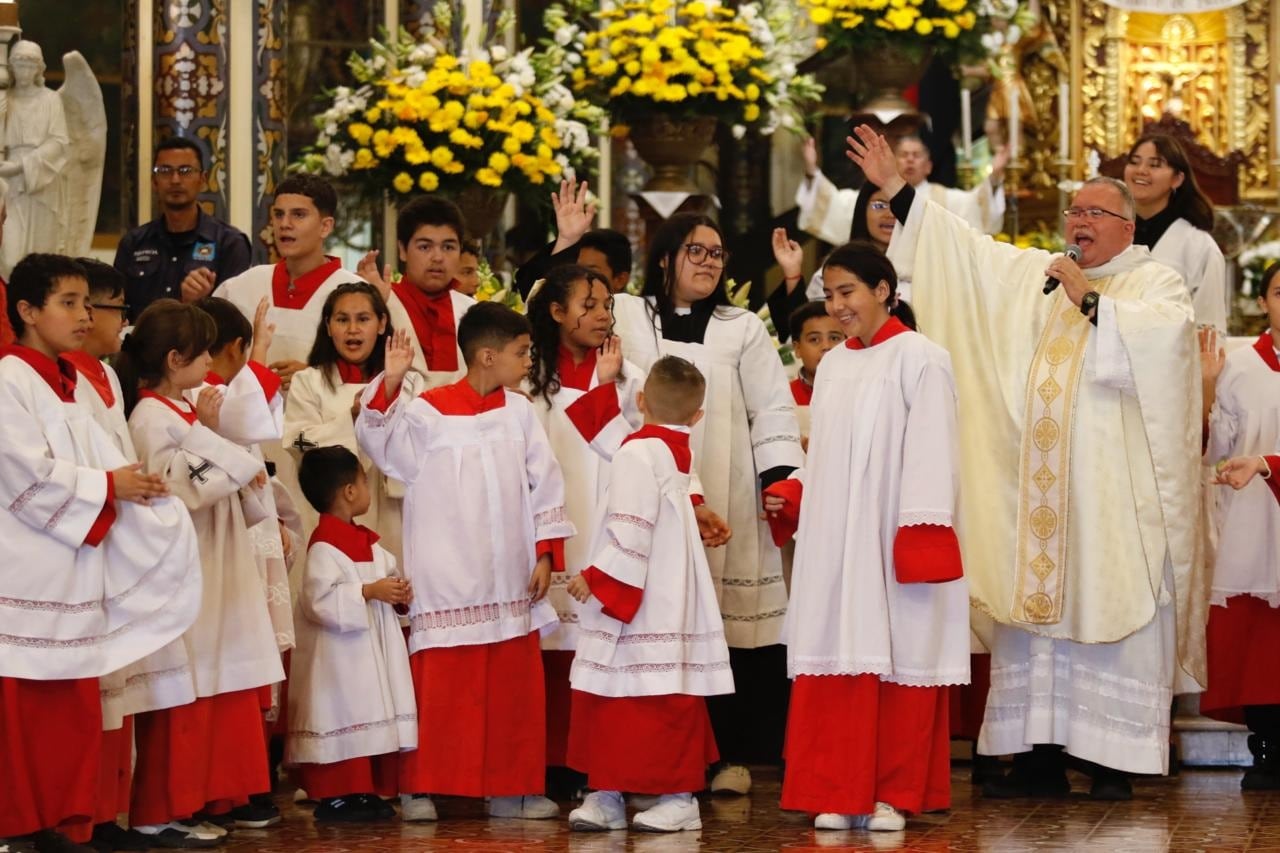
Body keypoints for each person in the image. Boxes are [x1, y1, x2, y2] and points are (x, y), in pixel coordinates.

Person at [849, 124, 1203, 800]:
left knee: (1108, 605)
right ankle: (1035, 754)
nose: (1079, 222)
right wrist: (898, 189)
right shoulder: (1035, 275)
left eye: (1094, 213)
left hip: (1111, 503)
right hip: (1037, 500)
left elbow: (1168, 349)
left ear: (1128, 227)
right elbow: (968, 256)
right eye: (1074, 212)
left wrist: (1092, 302)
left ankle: (1109, 759)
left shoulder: (1154, 280)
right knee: (1034, 617)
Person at [762, 241, 969, 831]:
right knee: (838, 648)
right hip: (839, 540)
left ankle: (892, 793)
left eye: (847, 291)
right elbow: (824, 452)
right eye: (829, 294)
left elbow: (935, 454)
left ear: (883, 290)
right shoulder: (837, 365)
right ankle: (837, 786)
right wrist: (797, 492)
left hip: (893, 533)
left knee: (901, 653)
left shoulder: (923, 357)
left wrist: (921, 535)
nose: (837, 306)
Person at [0, 255, 198, 853]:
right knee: (25, 709)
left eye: (88, 303)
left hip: (74, 569)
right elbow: (23, 474)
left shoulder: (70, 379)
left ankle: (64, 819)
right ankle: (20, 825)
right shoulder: (10, 378)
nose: (84, 315)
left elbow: (94, 463)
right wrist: (112, 486)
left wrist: (132, 486)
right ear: (27, 311)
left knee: (74, 708)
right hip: (28, 573)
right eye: (67, 302)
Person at [356, 303, 575, 822]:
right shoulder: (428, 411)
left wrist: (547, 552)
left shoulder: (520, 411)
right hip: (447, 570)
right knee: (445, 687)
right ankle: (422, 786)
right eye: (521, 352)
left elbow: (546, 481)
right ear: (486, 355)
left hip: (510, 571)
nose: (530, 360)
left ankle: (511, 788)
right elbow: (384, 449)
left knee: (510, 689)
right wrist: (389, 382)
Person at [611, 213, 804, 795]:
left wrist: (779, 479)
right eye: (695, 250)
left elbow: (771, 406)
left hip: (725, 490)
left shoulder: (739, 326)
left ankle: (728, 757)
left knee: (725, 629)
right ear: (666, 256)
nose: (708, 262)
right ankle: (647, 759)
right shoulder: (628, 313)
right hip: (646, 493)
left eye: (717, 254)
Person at [122, 299, 286, 844]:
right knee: (181, 692)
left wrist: (229, 455)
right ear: (175, 359)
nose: (211, 366)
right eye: (202, 354)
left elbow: (231, 472)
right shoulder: (149, 417)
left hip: (216, 562)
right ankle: (159, 809)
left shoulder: (185, 410)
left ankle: (197, 800)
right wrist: (222, 447)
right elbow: (180, 486)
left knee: (213, 685)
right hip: (185, 568)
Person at [565, 355, 734, 833]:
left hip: (642, 593)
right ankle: (612, 794)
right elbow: (619, 442)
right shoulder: (670, 448)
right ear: (697, 418)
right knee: (645, 692)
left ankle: (674, 800)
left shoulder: (640, 452)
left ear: (640, 401)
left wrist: (597, 577)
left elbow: (630, 528)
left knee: (637, 694)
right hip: (669, 590)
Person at [286, 445, 417, 822]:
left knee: (370, 714)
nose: (366, 487)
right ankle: (334, 793)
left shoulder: (368, 541)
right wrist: (367, 592)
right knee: (341, 713)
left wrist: (396, 592)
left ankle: (363, 790)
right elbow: (317, 601)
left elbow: (387, 574)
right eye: (363, 480)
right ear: (349, 491)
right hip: (339, 658)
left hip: (372, 649)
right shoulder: (325, 546)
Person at [1198, 261, 1280, 789]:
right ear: (1264, 302)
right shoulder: (1242, 365)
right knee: (1258, 645)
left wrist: (1268, 463)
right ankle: (1266, 748)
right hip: (1256, 519)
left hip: (1268, 489)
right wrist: (1207, 388)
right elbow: (1215, 450)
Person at [284, 282, 408, 562]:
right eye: (342, 319)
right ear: (328, 326)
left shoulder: (406, 382)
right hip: (329, 513)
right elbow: (295, 440)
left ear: (381, 323)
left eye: (363, 319)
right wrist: (350, 419)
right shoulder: (309, 381)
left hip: (391, 509)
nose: (353, 329)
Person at [213, 175, 363, 393]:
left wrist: (315, 377)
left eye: (298, 215)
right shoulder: (242, 286)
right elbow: (208, 356)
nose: (285, 224)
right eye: (278, 214)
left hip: (321, 423)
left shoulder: (355, 293)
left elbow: (376, 374)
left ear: (325, 226)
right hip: (249, 421)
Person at [114, 137, 252, 319]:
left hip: (201, 347)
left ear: (202, 180)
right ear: (154, 181)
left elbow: (235, 322)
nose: (175, 179)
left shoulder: (230, 243)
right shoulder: (133, 243)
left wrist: (200, 303)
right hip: (139, 345)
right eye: (165, 171)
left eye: (185, 171)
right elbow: (116, 310)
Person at [796, 134, 1008, 249]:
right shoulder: (872, 195)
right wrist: (811, 171)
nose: (909, 160)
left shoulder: (947, 200)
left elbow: (979, 208)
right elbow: (832, 203)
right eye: (904, 155)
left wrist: (996, 176)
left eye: (916, 155)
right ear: (892, 163)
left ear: (928, 166)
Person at [358, 196, 476, 388]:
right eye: (425, 247)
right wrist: (369, 308)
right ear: (402, 250)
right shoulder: (382, 303)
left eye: (448, 247)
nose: (437, 257)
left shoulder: (474, 312)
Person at [1123, 134, 1227, 331]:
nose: (1141, 171)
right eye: (1134, 162)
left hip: (1171, 356)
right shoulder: (1110, 231)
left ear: (1177, 179)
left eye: (1154, 165)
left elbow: (1209, 319)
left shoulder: (1197, 244)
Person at [0, 42, 69, 278]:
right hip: (9, 186)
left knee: (41, 262)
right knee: (9, 259)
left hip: (42, 182)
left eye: (30, 66)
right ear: (11, 67)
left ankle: (36, 313)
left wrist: (21, 165)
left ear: (39, 69)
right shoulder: (4, 99)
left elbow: (59, 143)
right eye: (19, 65)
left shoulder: (50, 101)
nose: (24, 71)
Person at [514, 179, 634, 298]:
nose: (579, 278)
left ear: (620, 280)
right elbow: (533, 296)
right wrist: (566, 240)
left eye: (590, 272)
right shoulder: (568, 312)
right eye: (575, 271)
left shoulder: (639, 312)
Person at [786, 299, 845, 451]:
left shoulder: (857, 393)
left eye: (834, 338)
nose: (826, 347)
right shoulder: (785, 396)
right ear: (797, 348)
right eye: (814, 339)